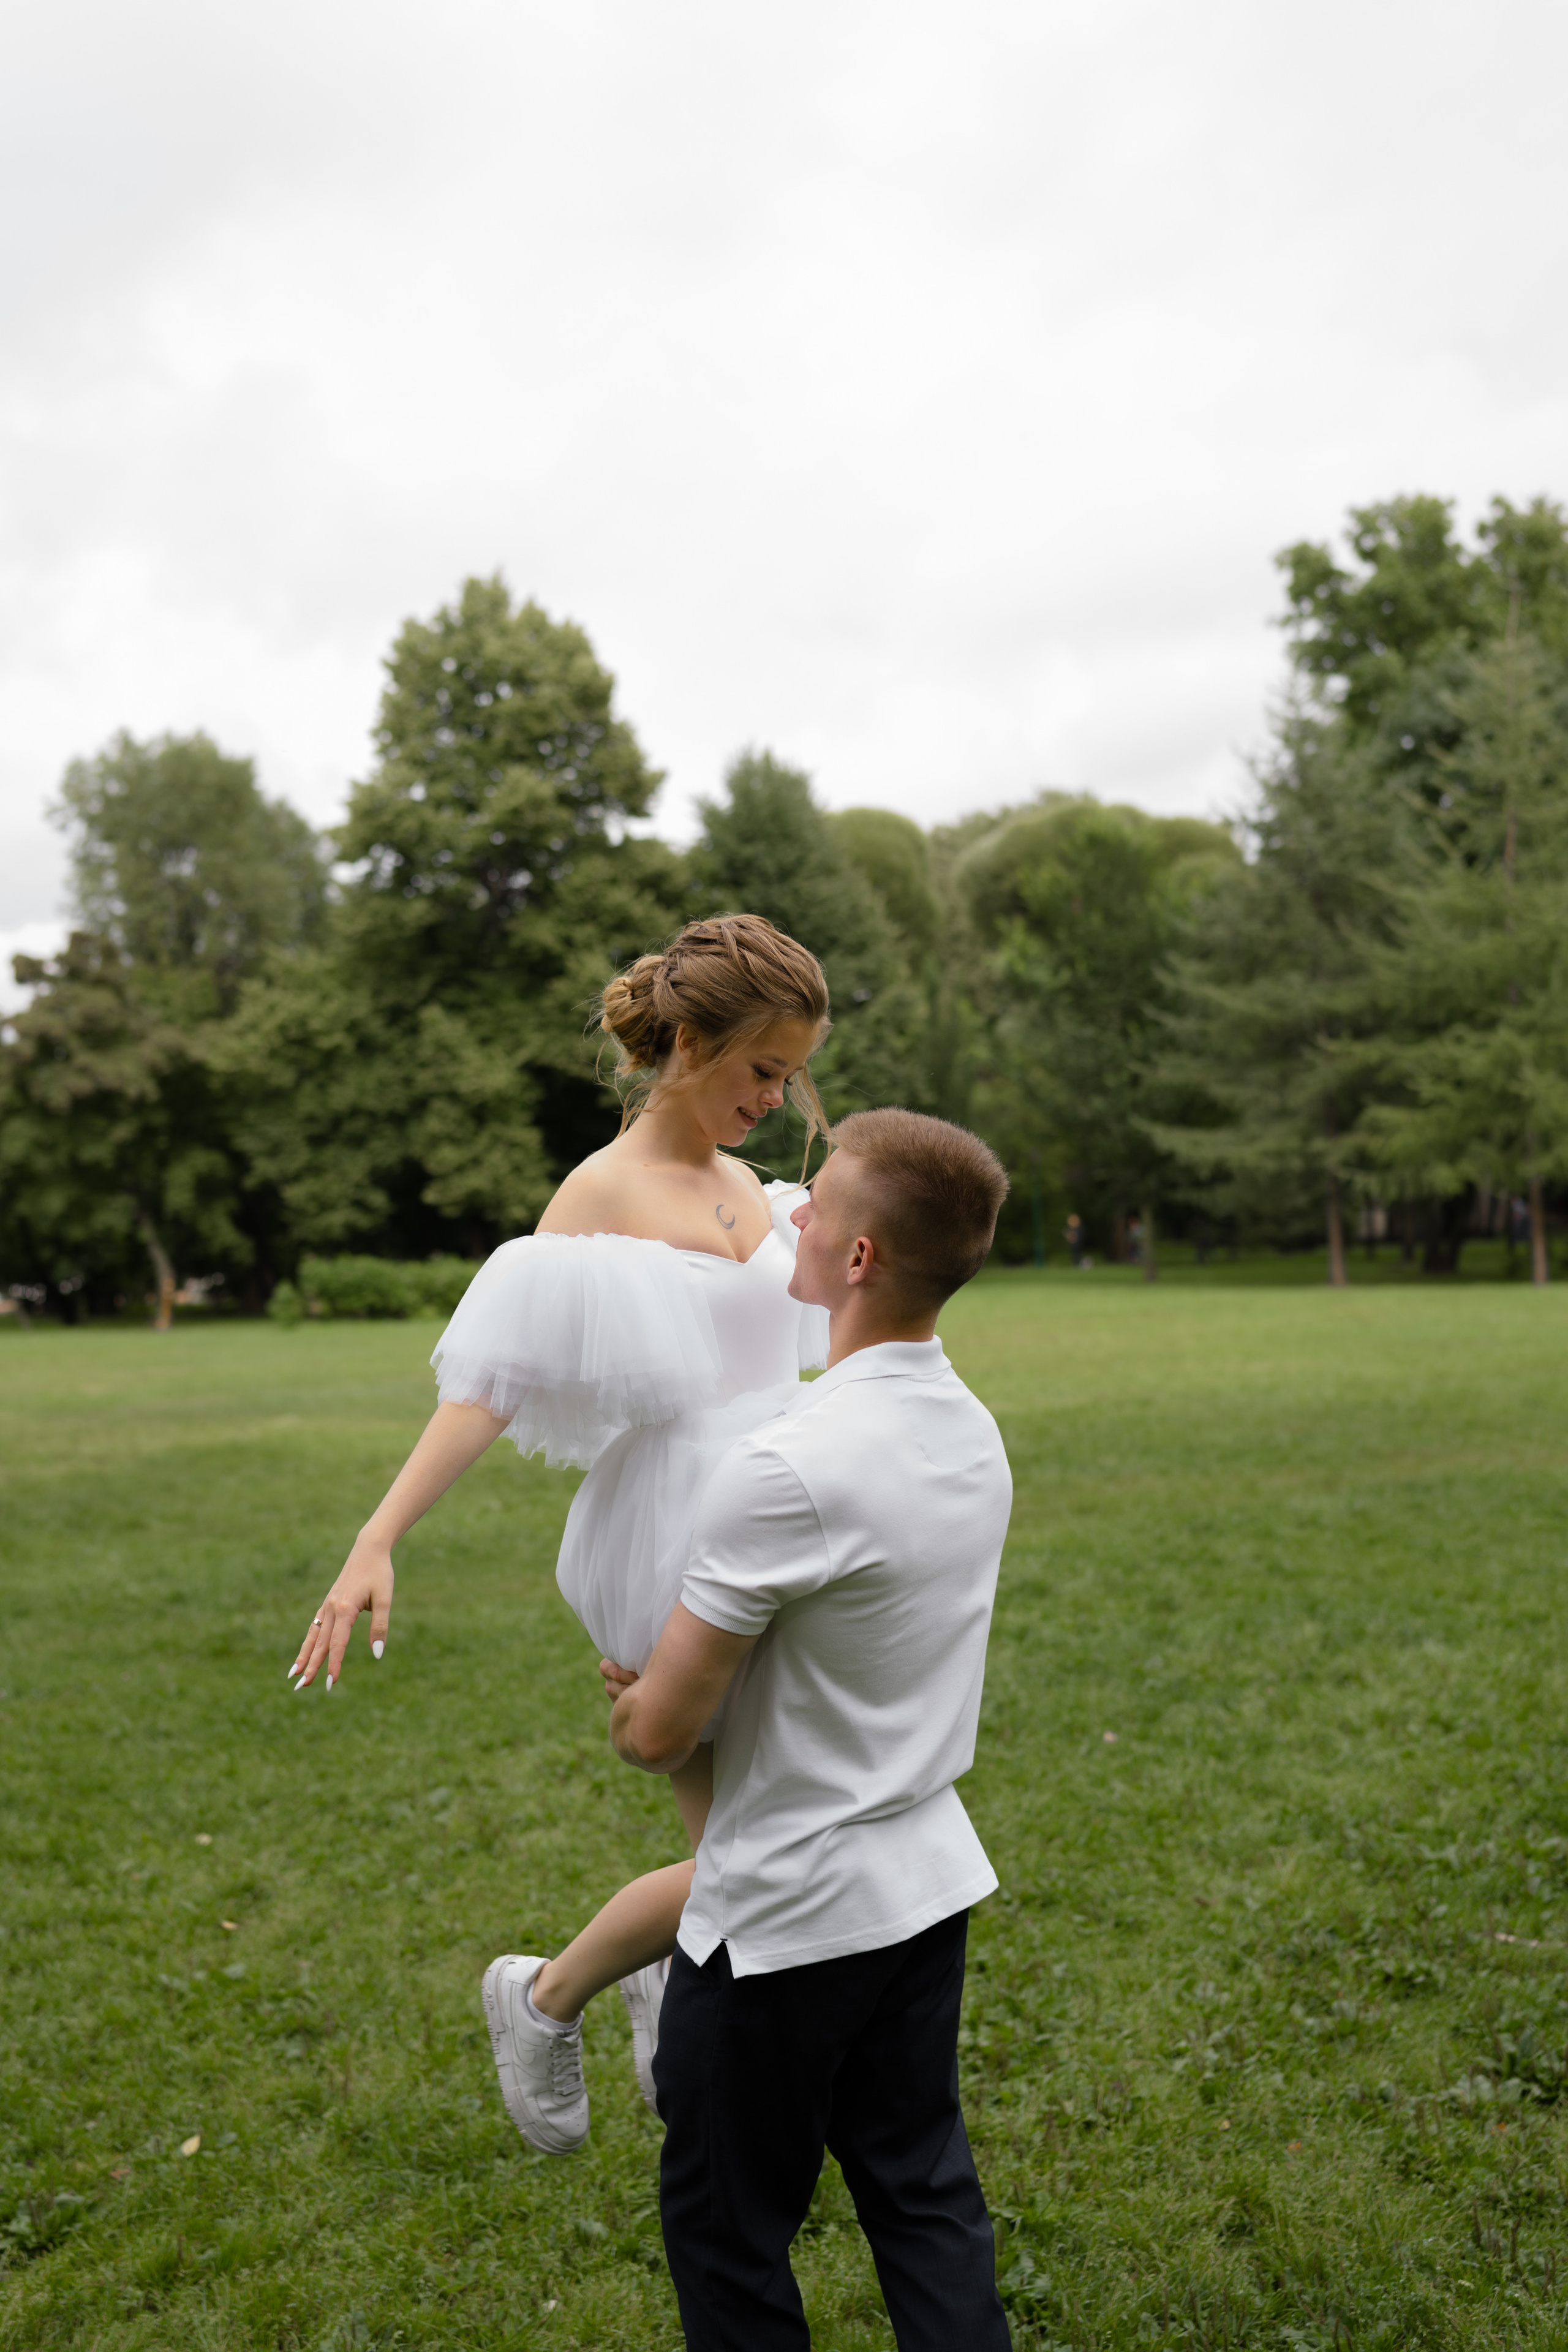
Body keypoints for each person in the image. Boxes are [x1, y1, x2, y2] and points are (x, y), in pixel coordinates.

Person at [287, 913, 834, 2147]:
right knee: (756, 1852)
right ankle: (547, 1998)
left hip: (781, 1518)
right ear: (686, 1043)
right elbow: (491, 1386)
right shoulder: (601, 1192)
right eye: (758, 1068)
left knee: (772, 1841)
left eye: (788, 1073)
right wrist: (376, 1540)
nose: (774, 1096)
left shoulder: (750, 1183)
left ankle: (626, 1977)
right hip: (670, 1540)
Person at [605, 1107, 1014, 2349]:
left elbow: (656, 1736)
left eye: (820, 1201)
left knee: (729, 2238)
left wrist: (632, 1690)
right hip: (922, 1886)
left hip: (784, 1921)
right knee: (922, 2195)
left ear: (855, 1261)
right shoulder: (969, 1429)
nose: (793, 1207)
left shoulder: (785, 1465)